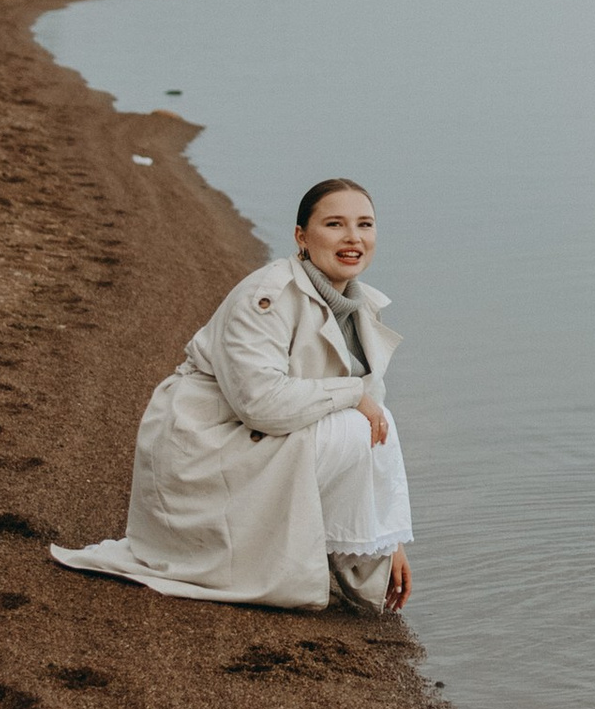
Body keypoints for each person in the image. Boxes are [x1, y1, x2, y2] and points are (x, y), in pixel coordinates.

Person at [52, 179, 414, 616]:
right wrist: (352, 393)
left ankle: (350, 560)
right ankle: (304, 562)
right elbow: (260, 404)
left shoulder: (358, 306)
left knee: (374, 424)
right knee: (362, 425)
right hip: (206, 444)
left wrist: (386, 536)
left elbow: (372, 425)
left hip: (253, 437)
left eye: (365, 225)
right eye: (334, 224)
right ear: (301, 236)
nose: (353, 238)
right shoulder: (267, 296)